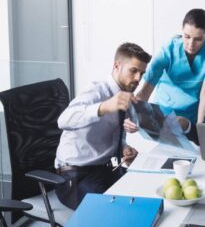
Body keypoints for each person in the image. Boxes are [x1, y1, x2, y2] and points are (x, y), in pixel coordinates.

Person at [55, 42, 151, 209]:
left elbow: (111, 134)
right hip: (74, 176)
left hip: (105, 169)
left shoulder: (125, 95)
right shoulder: (96, 92)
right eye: (133, 71)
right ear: (117, 66)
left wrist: (124, 147)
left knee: (144, 195)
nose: (138, 79)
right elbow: (63, 120)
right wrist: (104, 107)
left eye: (142, 73)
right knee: (115, 211)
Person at [126, 9, 205, 130]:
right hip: (163, 113)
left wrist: (200, 129)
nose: (191, 44)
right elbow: (145, 91)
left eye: (198, 39)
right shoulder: (168, 50)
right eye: (186, 37)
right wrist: (131, 117)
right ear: (182, 31)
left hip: (192, 115)